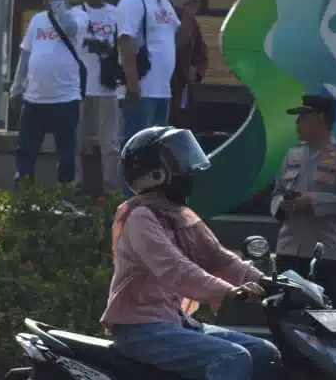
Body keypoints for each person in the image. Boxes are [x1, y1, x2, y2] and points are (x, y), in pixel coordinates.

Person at [103, 126, 281, 380]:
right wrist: (230, 291)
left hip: (174, 322)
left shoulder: (177, 214)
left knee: (265, 352)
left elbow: (219, 258)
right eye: (180, 162)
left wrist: (265, 281)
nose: (189, 169)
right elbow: (177, 269)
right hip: (140, 328)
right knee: (232, 357)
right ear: (156, 172)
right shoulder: (141, 216)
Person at [270, 95, 336, 308]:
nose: (298, 123)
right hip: (288, 250)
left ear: (321, 119)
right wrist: (282, 205)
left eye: (303, 116)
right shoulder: (292, 154)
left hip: (324, 254)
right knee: (284, 316)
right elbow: (276, 193)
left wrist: (314, 201)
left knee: (323, 320)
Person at [12, 0, 85, 185]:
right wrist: (17, 89)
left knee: (67, 153)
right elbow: (25, 55)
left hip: (65, 99)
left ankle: (64, 194)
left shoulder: (79, 15)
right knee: (26, 152)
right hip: (34, 100)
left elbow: (70, 27)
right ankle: (23, 194)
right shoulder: (37, 20)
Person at [116, 0, 181, 163]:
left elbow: (174, 36)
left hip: (162, 88)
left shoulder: (163, 1)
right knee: (136, 146)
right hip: (142, 88)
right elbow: (125, 41)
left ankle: (151, 194)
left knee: (156, 149)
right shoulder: (135, 0)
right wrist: (132, 83)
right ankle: (128, 193)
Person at [73, 0, 123, 193]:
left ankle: (111, 187)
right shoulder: (75, 14)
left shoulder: (116, 13)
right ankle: (76, 184)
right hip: (80, 84)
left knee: (110, 142)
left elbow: (124, 44)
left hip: (108, 85)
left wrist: (108, 49)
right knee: (77, 139)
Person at [170, 0, 209, 129]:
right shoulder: (168, 15)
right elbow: (176, 44)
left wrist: (196, 70)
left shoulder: (192, 21)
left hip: (184, 83)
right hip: (167, 81)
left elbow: (201, 51)